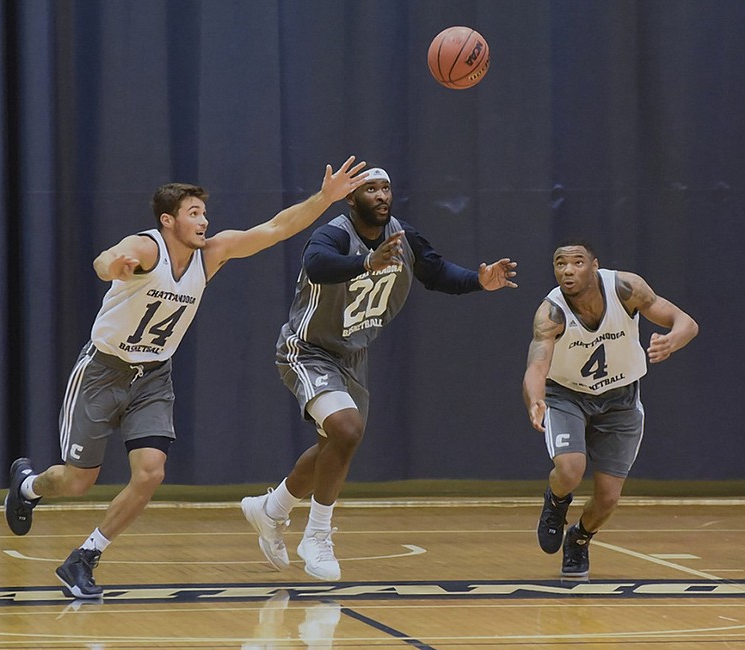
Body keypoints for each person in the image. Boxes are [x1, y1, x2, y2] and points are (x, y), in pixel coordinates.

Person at [4, 156, 370, 599]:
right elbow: (106, 259)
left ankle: (85, 557)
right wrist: (112, 264)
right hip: (103, 370)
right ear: (168, 220)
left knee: (151, 473)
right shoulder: (147, 248)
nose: (204, 221)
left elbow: (275, 229)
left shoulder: (211, 254)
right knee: (78, 480)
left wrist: (324, 198)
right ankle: (27, 487)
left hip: (154, 375)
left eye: (204, 212)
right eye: (194, 213)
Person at [241, 166, 517, 581]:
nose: (381, 195)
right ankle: (316, 536)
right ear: (352, 199)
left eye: (386, 187)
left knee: (332, 446)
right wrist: (366, 261)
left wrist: (479, 281)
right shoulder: (333, 234)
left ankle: (271, 509)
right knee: (347, 431)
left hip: (351, 356)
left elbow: (437, 273)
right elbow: (317, 266)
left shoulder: (404, 237)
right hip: (307, 349)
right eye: (371, 188)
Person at [523, 240, 698, 578]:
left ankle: (579, 538)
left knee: (607, 498)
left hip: (620, 399)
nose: (568, 270)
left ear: (594, 265)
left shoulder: (625, 288)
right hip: (567, 394)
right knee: (571, 469)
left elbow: (685, 322)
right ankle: (556, 502)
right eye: (560, 264)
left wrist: (671, 341)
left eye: (576, 262)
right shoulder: (551, 312)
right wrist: (535, 400)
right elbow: (536, 365)